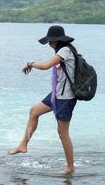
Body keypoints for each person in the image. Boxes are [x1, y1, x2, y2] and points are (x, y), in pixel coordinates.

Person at [8, 25, 78, 174]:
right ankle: (23, 145)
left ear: (57, 41)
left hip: (66, 97)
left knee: (63, 133)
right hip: (57, 94)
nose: (49, 44)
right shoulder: (63, 51)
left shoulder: (65, 51)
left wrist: (31, 64)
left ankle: (70, 167)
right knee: (34, 111)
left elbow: (46, 66)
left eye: (50, 41)